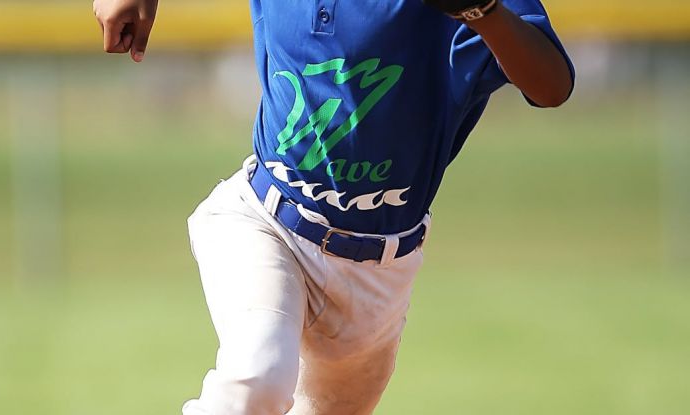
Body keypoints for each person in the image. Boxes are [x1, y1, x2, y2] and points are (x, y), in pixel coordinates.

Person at [93, 0, 574, 413]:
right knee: (256, 377)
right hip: (266, 223)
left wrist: (482, 12)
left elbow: (551, 86)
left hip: (380, 277)